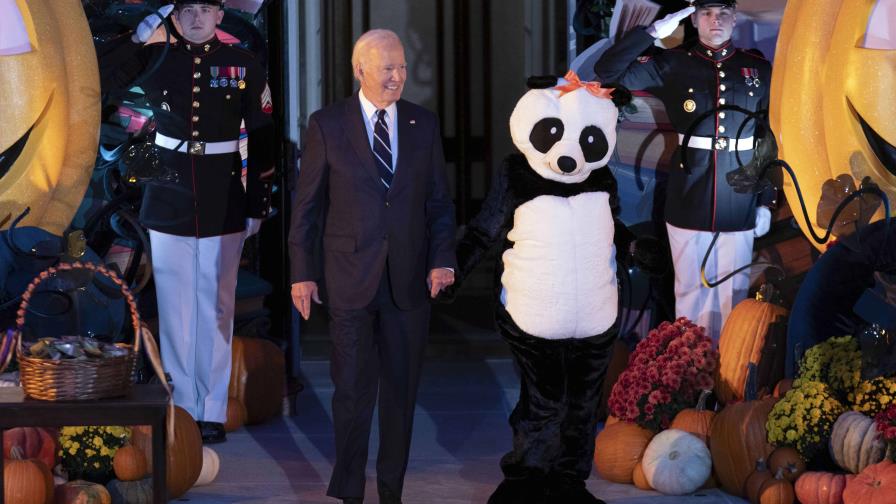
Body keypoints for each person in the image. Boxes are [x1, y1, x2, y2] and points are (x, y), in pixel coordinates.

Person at [288, 29, 457, 504]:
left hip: (408, 281)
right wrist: (302, 272)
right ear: (359, 68)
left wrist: (443, 260)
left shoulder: (423, 124)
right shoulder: (328, 124)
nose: (398, 77)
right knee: (352, 391)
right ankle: (349, 490)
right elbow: (307, 207)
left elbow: (439, 203)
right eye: (388, 68)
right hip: (348, 277)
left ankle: (391, 491)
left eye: (402, 67)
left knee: (400, 395)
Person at [96, 0, 274, 443]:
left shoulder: (242, 64)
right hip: (170, 194)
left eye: (206, 8)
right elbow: (102, 81)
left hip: (224, 194)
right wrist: (139, 38)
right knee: (176, 305)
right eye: (187, 8)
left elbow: (263, 137)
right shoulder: (156, 56)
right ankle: (182, 406)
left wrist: (257, 203)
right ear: (175, 15)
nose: (197, 18)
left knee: (216, 304)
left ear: (220, 15)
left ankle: (212, 407)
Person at [593, 0, 776, 341]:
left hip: (739, 194)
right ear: (693, 20)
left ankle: (726, 386)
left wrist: (767, 198)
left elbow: (767, 136)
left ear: (735, 18)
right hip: (689, 189)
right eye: (706, 13)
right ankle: (690, 376)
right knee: (690, 290)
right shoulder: (674, 63)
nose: (715, 20)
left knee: (734, 292)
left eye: (723, 13)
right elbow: (608, 72)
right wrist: (650, 32)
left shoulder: (757, 69)